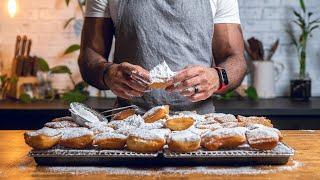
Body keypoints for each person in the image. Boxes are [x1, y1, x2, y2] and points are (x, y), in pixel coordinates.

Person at [79, 0, 247, 114]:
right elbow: (90, 53)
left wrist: (218, 77)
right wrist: (107, 73)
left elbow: (235, 58)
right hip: (128, 126)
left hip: (199, 126)